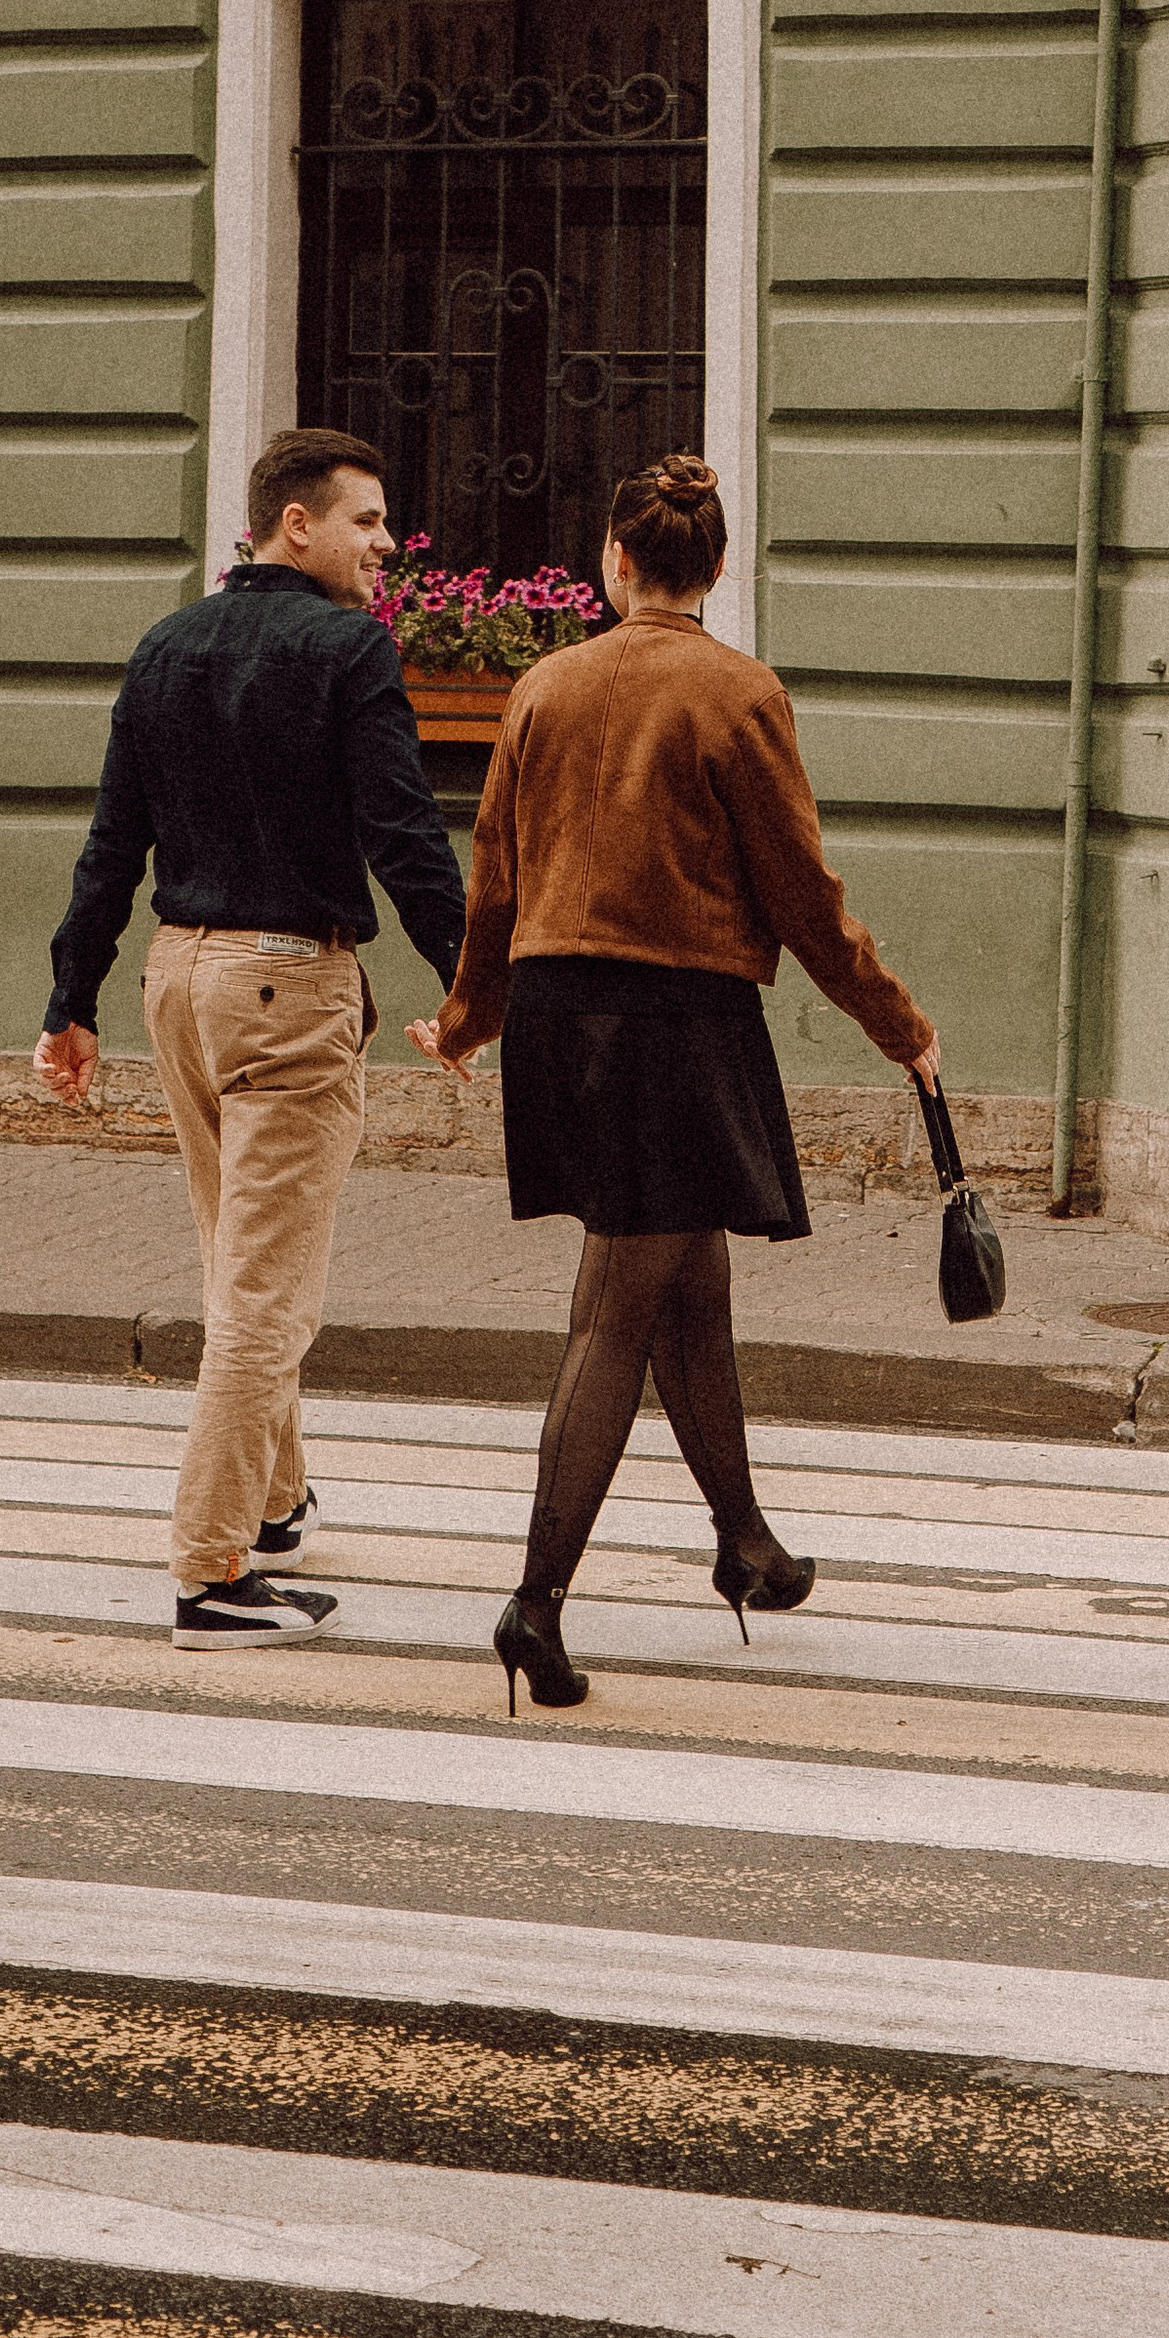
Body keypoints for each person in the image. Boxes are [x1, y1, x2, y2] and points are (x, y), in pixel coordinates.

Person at [414, 452, 940, 1714]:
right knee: (616, 1306)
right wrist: (897, 1024)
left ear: (613, 562)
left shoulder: (543, 685)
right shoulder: (737, 693)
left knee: (687, 1275)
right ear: (714, 569)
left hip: (558, 1016)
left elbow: (494, 877)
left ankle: (744, 1543)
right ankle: (533, 1604)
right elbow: (800, 895)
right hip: (676, 1020)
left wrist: (469, 1018)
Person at [35, 427, 467, 1650]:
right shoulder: (348, 650)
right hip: (289, 983)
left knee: (238, 1256)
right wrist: (472, 983)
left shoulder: (167, 645)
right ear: (296, 525)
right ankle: (210, 1572)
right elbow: (404, 832)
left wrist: (72, 1000)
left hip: (180, 981)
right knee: (266, 1297)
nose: (387, 546)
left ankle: (275, 1508)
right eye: (369, 522)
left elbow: (112, 840)